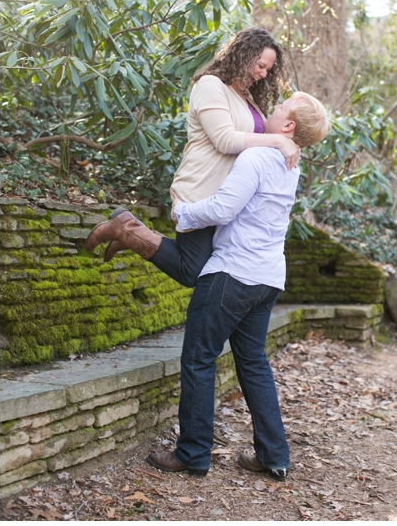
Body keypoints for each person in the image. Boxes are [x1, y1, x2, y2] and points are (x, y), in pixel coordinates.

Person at [144, 91, 331, 480]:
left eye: (280, 107)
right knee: (254, 364)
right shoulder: (289, 162)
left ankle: (193, 454)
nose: (272, 109)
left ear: (289, 125)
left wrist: (182, 212)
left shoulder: (259, 156)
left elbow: (223, 209)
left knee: (198, 360)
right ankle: (274, 455)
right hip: (267, 281)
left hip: (232, 275)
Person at [86, 27, 302, 287]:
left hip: (226, 198)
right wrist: (279, 140)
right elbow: (225, 140)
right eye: (260, 65)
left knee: (202, 268)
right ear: (242, 56)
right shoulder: (210, 86)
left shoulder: (246, 97)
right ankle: (126, 229)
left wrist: (290, 141)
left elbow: (259, 140)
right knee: (192, 272)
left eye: (268, 69)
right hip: (202, 189)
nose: (263, 74)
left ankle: (131, 235)